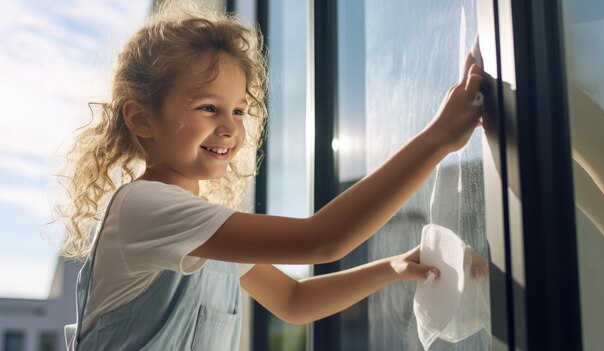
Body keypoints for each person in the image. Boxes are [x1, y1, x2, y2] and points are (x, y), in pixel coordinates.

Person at [56, 5, 483, 351]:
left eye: (238, 110)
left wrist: (389, 268)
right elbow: (322, 240)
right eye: (208, 107)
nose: (230, 128)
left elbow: (294, 301)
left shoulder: (198, 228)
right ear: (141, 118)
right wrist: (439, 139)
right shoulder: (145, 208)